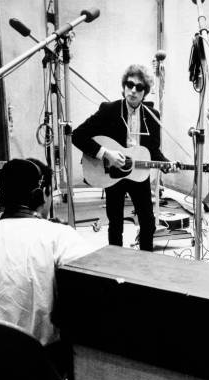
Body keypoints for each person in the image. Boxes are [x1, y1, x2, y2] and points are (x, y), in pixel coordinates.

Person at [0, 158, 95, 348]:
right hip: (34, 369)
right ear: (42, 195)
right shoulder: (60, 237)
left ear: (0, 197)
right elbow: (93, 293)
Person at [73, 64, 177, 251]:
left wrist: (165, 163)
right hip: (112, 174)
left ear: (145, 92)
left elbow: (153, 150)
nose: (133, 91)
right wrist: (106, 153)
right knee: (115, 224)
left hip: (138, 174)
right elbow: (77, 135)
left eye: (139, 87)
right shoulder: (108, 110)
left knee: (148, 222)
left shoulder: (153, 116)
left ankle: (145, 263)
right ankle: (116, 266)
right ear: (123, 87)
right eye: (130, 85)